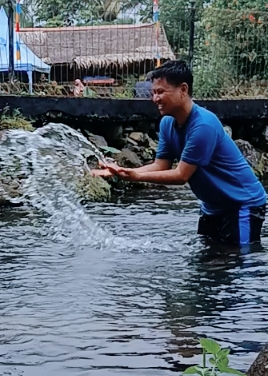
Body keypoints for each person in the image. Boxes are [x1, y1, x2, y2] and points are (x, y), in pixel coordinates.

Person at [107, 60, 267, 246]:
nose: (155, 99)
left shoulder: (203, 125)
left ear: (183, 89)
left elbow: (181, 175)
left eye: (160, 92)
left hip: (243, 204)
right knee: (207, 257)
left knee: (239, 259)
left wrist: (136, 177)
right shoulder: (167, 123)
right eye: (154, 93)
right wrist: (123, 172)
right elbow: (161, 165)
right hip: (212, 207)